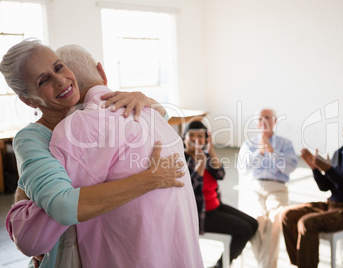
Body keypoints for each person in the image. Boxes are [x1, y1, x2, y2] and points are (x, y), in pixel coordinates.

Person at [1, 40, 201, 267]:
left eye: (58, 67)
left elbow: (154, 124)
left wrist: (144, 99)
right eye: (43, 80)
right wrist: (150, 180)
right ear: (28, 99)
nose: (60, 80)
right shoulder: (34, 138)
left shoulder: (94, 121)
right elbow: (37, 231)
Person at [280, 116, 343, 268]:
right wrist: (316, 169)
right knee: (287, 215)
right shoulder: (340, 153)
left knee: (307, 223)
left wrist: (328, 169)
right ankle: (301, 264)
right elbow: (325, 186)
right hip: (332, 206)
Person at [183, 120, 258, 268]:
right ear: (184, 138)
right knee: (244, 230)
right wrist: (200, 165)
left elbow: (220, 174)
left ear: (206, 139)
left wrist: (211, 152)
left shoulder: (206, 155)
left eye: (200, 136)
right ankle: (220, 265)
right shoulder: (181, 159)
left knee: (253, 224)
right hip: (199, 215)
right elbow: (189, 188)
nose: (196, 139)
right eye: (191, 135)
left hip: (216, 207)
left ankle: (223, 262)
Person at [237, 108, 298, 268]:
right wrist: (260, 152)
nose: (263, 121)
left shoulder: (285, 143)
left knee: (275, 219)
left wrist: (272, 151)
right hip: (254, 188)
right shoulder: (249, 144)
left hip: (277, 188)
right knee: (256, 219)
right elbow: (243, 169)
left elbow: (290, 167)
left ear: (274, 121)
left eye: (267, 117)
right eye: (260, 118)